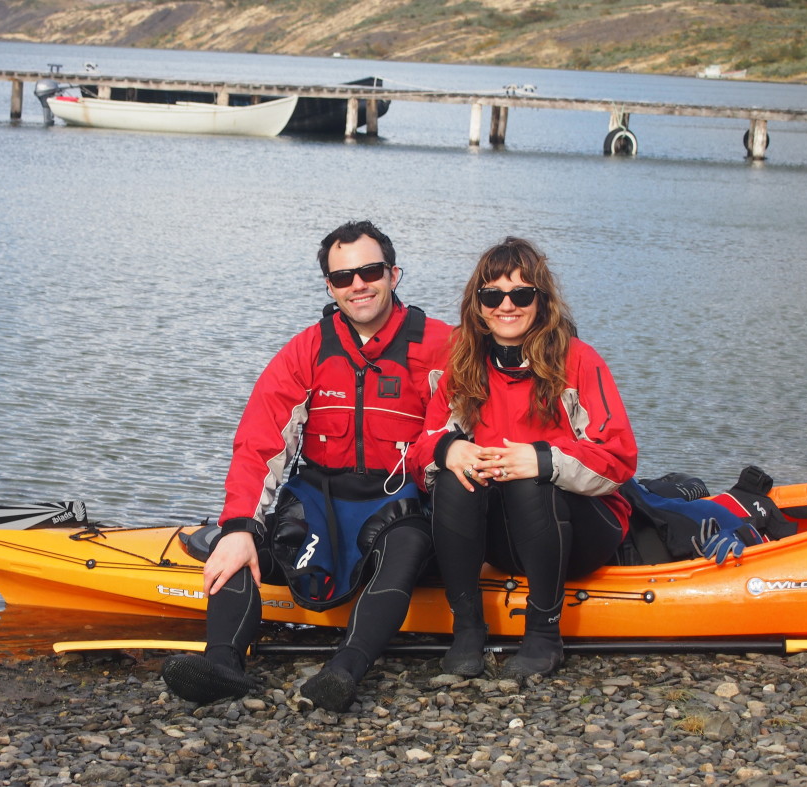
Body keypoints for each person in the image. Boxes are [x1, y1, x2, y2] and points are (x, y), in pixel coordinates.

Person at [162, 220, 452, 712]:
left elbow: (472, 424)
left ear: (394, 274)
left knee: (407, 543)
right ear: (330, 287)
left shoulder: (443, 345)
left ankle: (344, 671)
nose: (358, 284)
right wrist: (239, 526)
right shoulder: (308, 349)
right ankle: (222, 665)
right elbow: (259, 442)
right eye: (343, 277)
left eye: (370, 271)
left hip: (397, 504)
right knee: (241, 542)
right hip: (318, 500)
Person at [411, 237, 637, 682]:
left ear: (542, 300)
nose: (506, 306)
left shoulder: (578, 361)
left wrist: (542, 459)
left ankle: (543, 636)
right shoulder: (465, 367)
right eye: (493, 295)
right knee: (456, 475)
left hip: (579, 530)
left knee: (529, 479)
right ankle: (468, 630)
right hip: (505, 536)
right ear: (478, 305)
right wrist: (448, 449)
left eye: (521, 294)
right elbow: (421, 450)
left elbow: (619, 459)